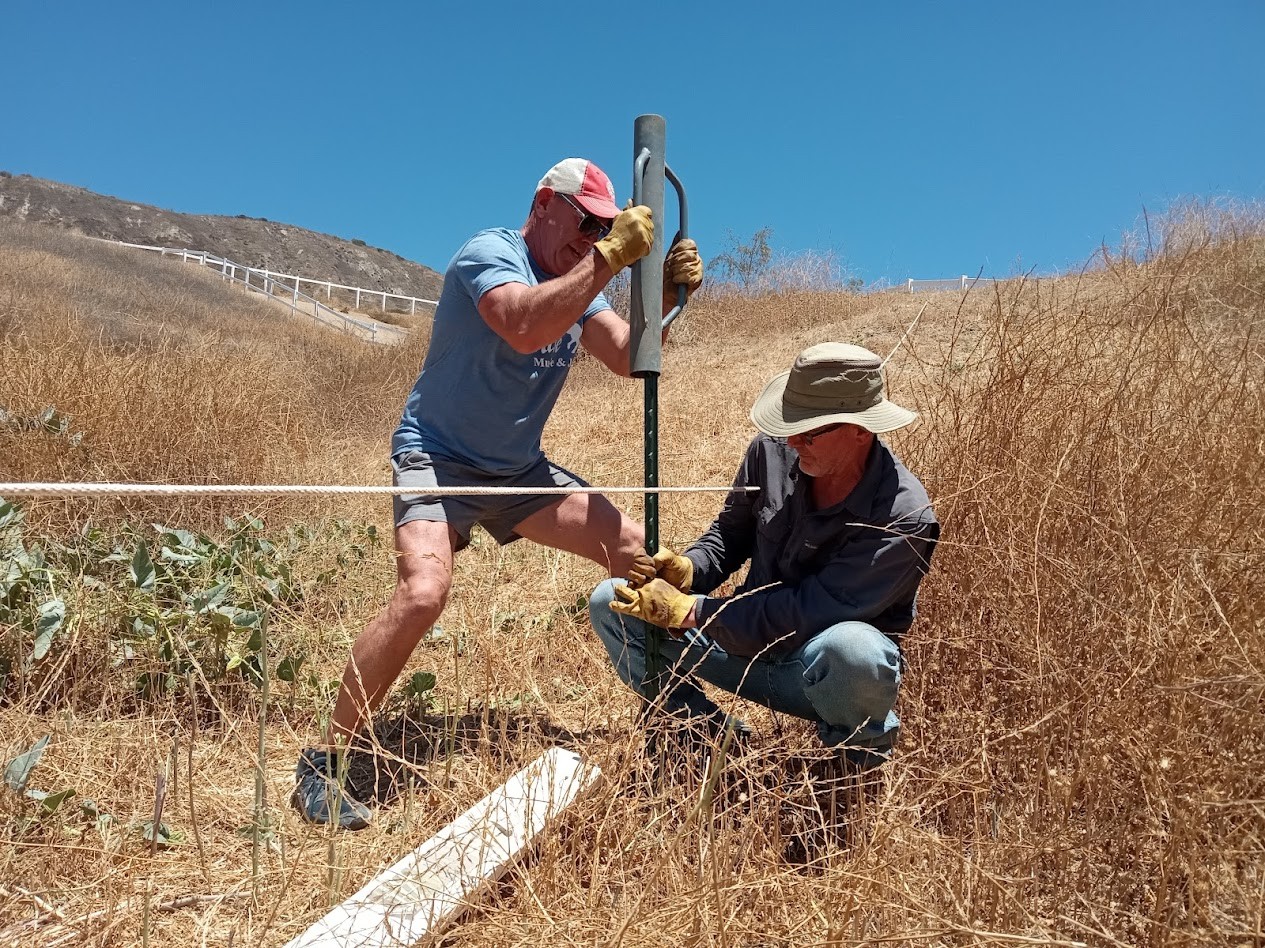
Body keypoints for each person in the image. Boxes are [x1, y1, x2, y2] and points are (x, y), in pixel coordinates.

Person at [293, 158, 704, 829]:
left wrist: (663, 299)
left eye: (604, 227)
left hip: (517, 472)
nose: (593, 236)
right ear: (544, 203)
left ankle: (684, 720)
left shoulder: (579, 280)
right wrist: (607, 259)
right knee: (422, 594)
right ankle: (323, 762)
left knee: (642, 555)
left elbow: (628, 357)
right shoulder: (489, 253)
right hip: (437, 457)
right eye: (586, 222)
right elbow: (522, 324)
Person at [589, 342, 938, 769]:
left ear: (860, 430)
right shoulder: (770, 451)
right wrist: (689, 570)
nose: (791, 439)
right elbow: (729, 534)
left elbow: (808, 612)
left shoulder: (903, 516)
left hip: (814, 672)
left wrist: (691, 612)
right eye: (791, 422)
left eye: (809, 431)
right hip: (739, 644)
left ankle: (852, 768)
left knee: (855, 652)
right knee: (610, 601)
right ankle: (701, 735)